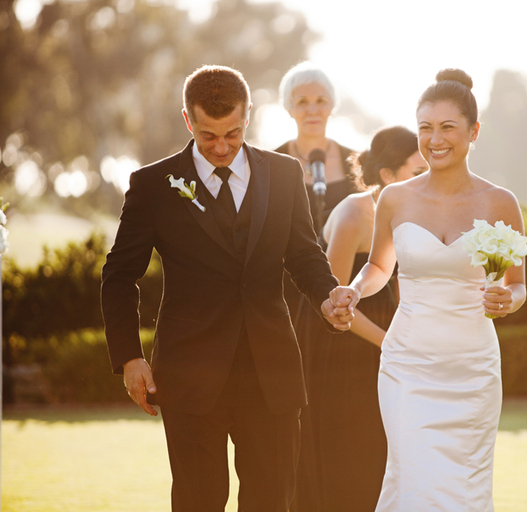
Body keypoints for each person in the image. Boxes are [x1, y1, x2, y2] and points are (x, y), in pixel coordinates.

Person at [101, 65, 352, 512]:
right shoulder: (153, 184)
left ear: (248, 116)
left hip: (272, 375)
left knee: (272, 502)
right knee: (197, 502)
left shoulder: (284, 173)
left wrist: (327, 297)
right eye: (208, 136)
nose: (221, 147)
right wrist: (129, 357)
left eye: (232, 134)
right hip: (189, 376)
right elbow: (119, 275)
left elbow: (304, 256)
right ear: (188, 120)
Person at [329, 69, 527, 511]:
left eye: (447, 127)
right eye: (425, 127)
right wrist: (355, 290)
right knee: (413, 479)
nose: (434, 140)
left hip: (473, 369)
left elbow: (516, 286)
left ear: (474, 131)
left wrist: (507, 300)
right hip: (407, 365)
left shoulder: (500, 202)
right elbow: (379, 266)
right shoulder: (395, 198)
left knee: (464, 489)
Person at [292, 127, 427, 512]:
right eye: (417, 172)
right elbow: (334, 304)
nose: (426, 179)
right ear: (387, 174)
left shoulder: (414, 209)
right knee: (353, 447)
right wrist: (390, 342)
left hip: (385, 334)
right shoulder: (355, 214)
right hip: (340, 343)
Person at [274, 62, 357, 328]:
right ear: (289, 108)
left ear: (332, 106)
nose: (312, 110)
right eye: (302, 102)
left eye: (320, 101)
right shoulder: (270, 165)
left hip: (349, 295)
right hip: (290, 297)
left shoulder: (356, 162)